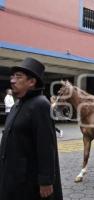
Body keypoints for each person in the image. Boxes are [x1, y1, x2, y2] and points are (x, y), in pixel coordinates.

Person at [0, 57, 63, 200]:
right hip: (11, 175)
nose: (12, 80)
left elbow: (46, 146)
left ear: (32, 82)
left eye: (18, 77)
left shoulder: (40, 105)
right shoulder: (17, 104)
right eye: (12, 76)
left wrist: (46, 181)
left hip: (27, 181)